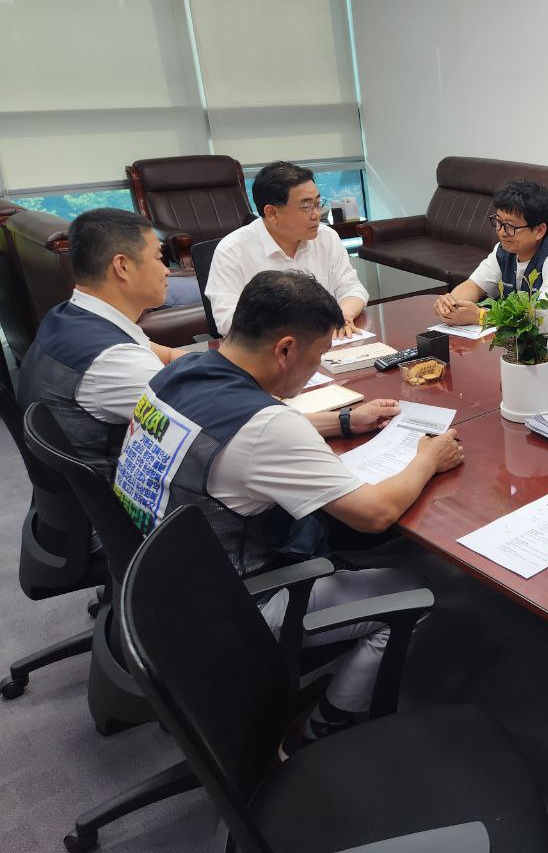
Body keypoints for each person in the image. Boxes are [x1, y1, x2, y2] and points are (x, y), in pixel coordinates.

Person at [113, 270, 464, 752]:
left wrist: (343, 421)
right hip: (230, 609)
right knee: (414, 591)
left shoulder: (180, 371)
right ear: (285, 349)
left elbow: (242, 432)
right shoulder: (267, 428)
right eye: (318, 355)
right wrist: (428, 459)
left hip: (155, 588)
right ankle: (323, 729)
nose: (316, 366)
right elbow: (374, 513)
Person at [16, 208, 180, 480]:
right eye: (159, 258)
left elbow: (170, 356)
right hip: (119, 495)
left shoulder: (68, 314)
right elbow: (206, 421)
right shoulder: (116, 361)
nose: (167, 271)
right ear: (122, 266)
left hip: (71, 494)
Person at [204, 160, 368, 338]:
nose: (316, 215)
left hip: (326, 343)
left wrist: (344, 316)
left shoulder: (327, 237)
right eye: (306, 207)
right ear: (272, 213)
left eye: (318, 203)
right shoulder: (232, 250)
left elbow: (353, 290)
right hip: (267, 349)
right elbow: (227, 322)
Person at [433, 178, 548, 325]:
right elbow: (474, 286)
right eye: (498, 222)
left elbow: (546, 320)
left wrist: (480, 317)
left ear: (539, 230)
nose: (501, 232)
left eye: (510, 226)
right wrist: (451, 304)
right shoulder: (506, 249)